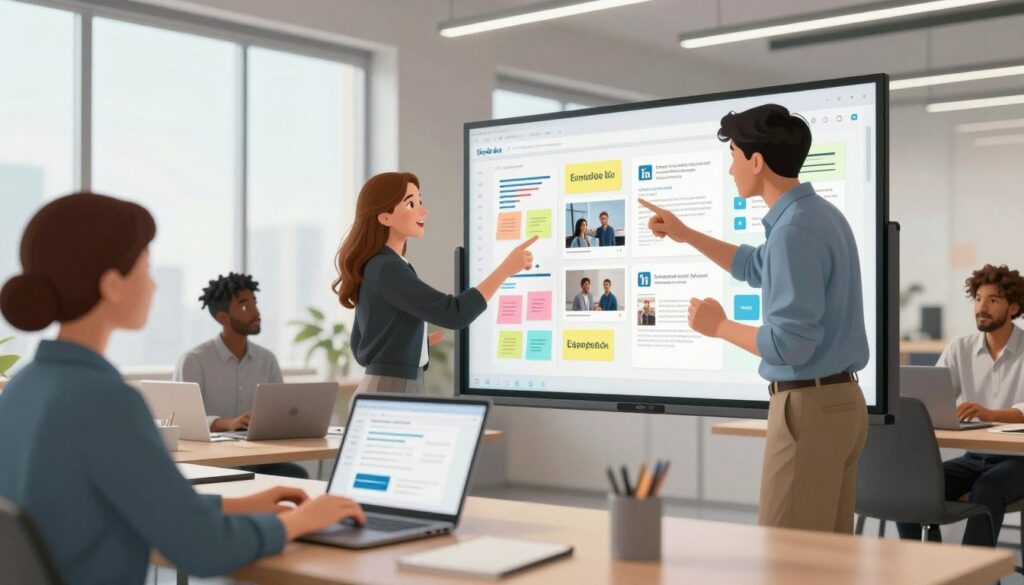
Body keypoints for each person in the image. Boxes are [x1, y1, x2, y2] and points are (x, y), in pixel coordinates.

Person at [0, 193, 364, 584]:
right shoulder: (105, 400)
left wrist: (241, 505)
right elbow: (204, 547)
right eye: (146, 268)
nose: (154, 285)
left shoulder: (23, 388)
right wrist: (300, 521)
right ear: (112, 285)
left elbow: (148, 501)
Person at [639, 104, 869, 533]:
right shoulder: (819, 215)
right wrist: (685, 234)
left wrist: (718, 327)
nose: (731, 170)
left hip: (808, 407)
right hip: (841, 405)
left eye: (734, 157)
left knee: (787, 553)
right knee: (827, 558)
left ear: (757, 161)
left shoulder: (793, 230)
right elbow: (754, 266)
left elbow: (788, 344)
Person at [334, 172, 535, 394]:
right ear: (385, 218)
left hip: (387, 384)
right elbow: (454, 314)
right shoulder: (388, 268)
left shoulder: (376, 265)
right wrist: (506, 269)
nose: (423, 211)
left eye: (419, 201)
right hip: (393, 387)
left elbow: (360, 341)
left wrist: (410, 342)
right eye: (410, 204)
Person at [896, 264, 1024, 547]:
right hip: (974, 457)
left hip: (1019, 459)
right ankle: (927, 563)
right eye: (978, 299)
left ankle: (973, 568)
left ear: (1013, 307)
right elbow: (932, 397)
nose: (982, 307)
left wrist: (990, 414)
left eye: (993, 300)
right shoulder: (960, 348)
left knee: (987, 488)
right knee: (912, 486)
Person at [174, 272, 307, 479]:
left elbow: (280, 412)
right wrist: (227, 423)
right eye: (245, 306)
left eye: (255, 303)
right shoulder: (193, 361)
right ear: (222, 317)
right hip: (212, 461)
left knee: (296, 475)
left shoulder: (267, 359)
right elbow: (183, 420)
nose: (256, 312)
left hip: (260, 458)